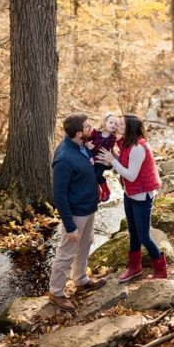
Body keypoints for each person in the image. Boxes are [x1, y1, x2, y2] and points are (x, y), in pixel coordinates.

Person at [98, 113, 167, 281]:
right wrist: (112, 159)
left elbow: (131, 175)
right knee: (133, 232)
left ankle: (161, 269)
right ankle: (135, 267)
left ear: (130, 129)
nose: (117, 126)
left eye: (121, 124)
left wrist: (112, 161)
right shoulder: (125, 144)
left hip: (142, 197)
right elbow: (122, 168)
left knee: (144, 236)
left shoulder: (138, 148)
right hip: (130, 194)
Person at [48, 113, 107, 312]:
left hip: (89, 208)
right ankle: (56, 292)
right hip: (75, 213)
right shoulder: (64, 158)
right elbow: (59, 195)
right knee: (66, 253)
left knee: (86, 243)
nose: (93, 129)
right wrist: (70, 225)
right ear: (78, 133)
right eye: (88, 126)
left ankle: (80, 280)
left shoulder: (82, 145)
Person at [85, 111, 120, 203]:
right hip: (92, 158)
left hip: (103, 160)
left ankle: (106, 190)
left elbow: (110, 150)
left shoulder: (113, 138)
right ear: (105, 122)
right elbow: (85, 140)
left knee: (97, 175)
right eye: (111, 122)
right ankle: (97, 192)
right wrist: (87, 144)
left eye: (116, 124)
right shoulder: (95, 132)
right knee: (90, 175)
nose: (113, 125)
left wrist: (109, 161)